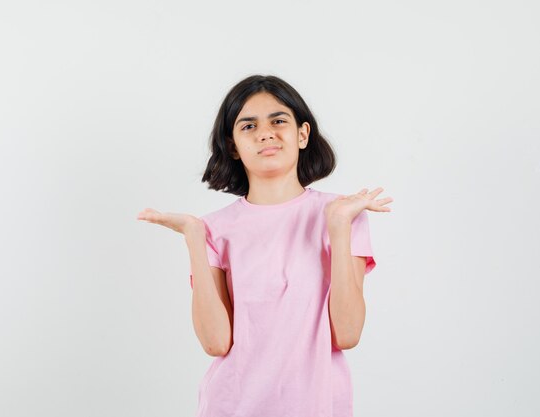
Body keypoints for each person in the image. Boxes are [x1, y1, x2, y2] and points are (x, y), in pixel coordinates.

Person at [137, 74, 393, 417]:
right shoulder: (215, 229)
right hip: (232, 405)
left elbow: (346, 334)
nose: (265, 133)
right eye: (248, 126)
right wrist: (195, 238)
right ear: (233, 146)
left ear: (303, 134)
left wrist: (337, 226)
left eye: (278, 121)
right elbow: (215, 343)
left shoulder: (344, 215)